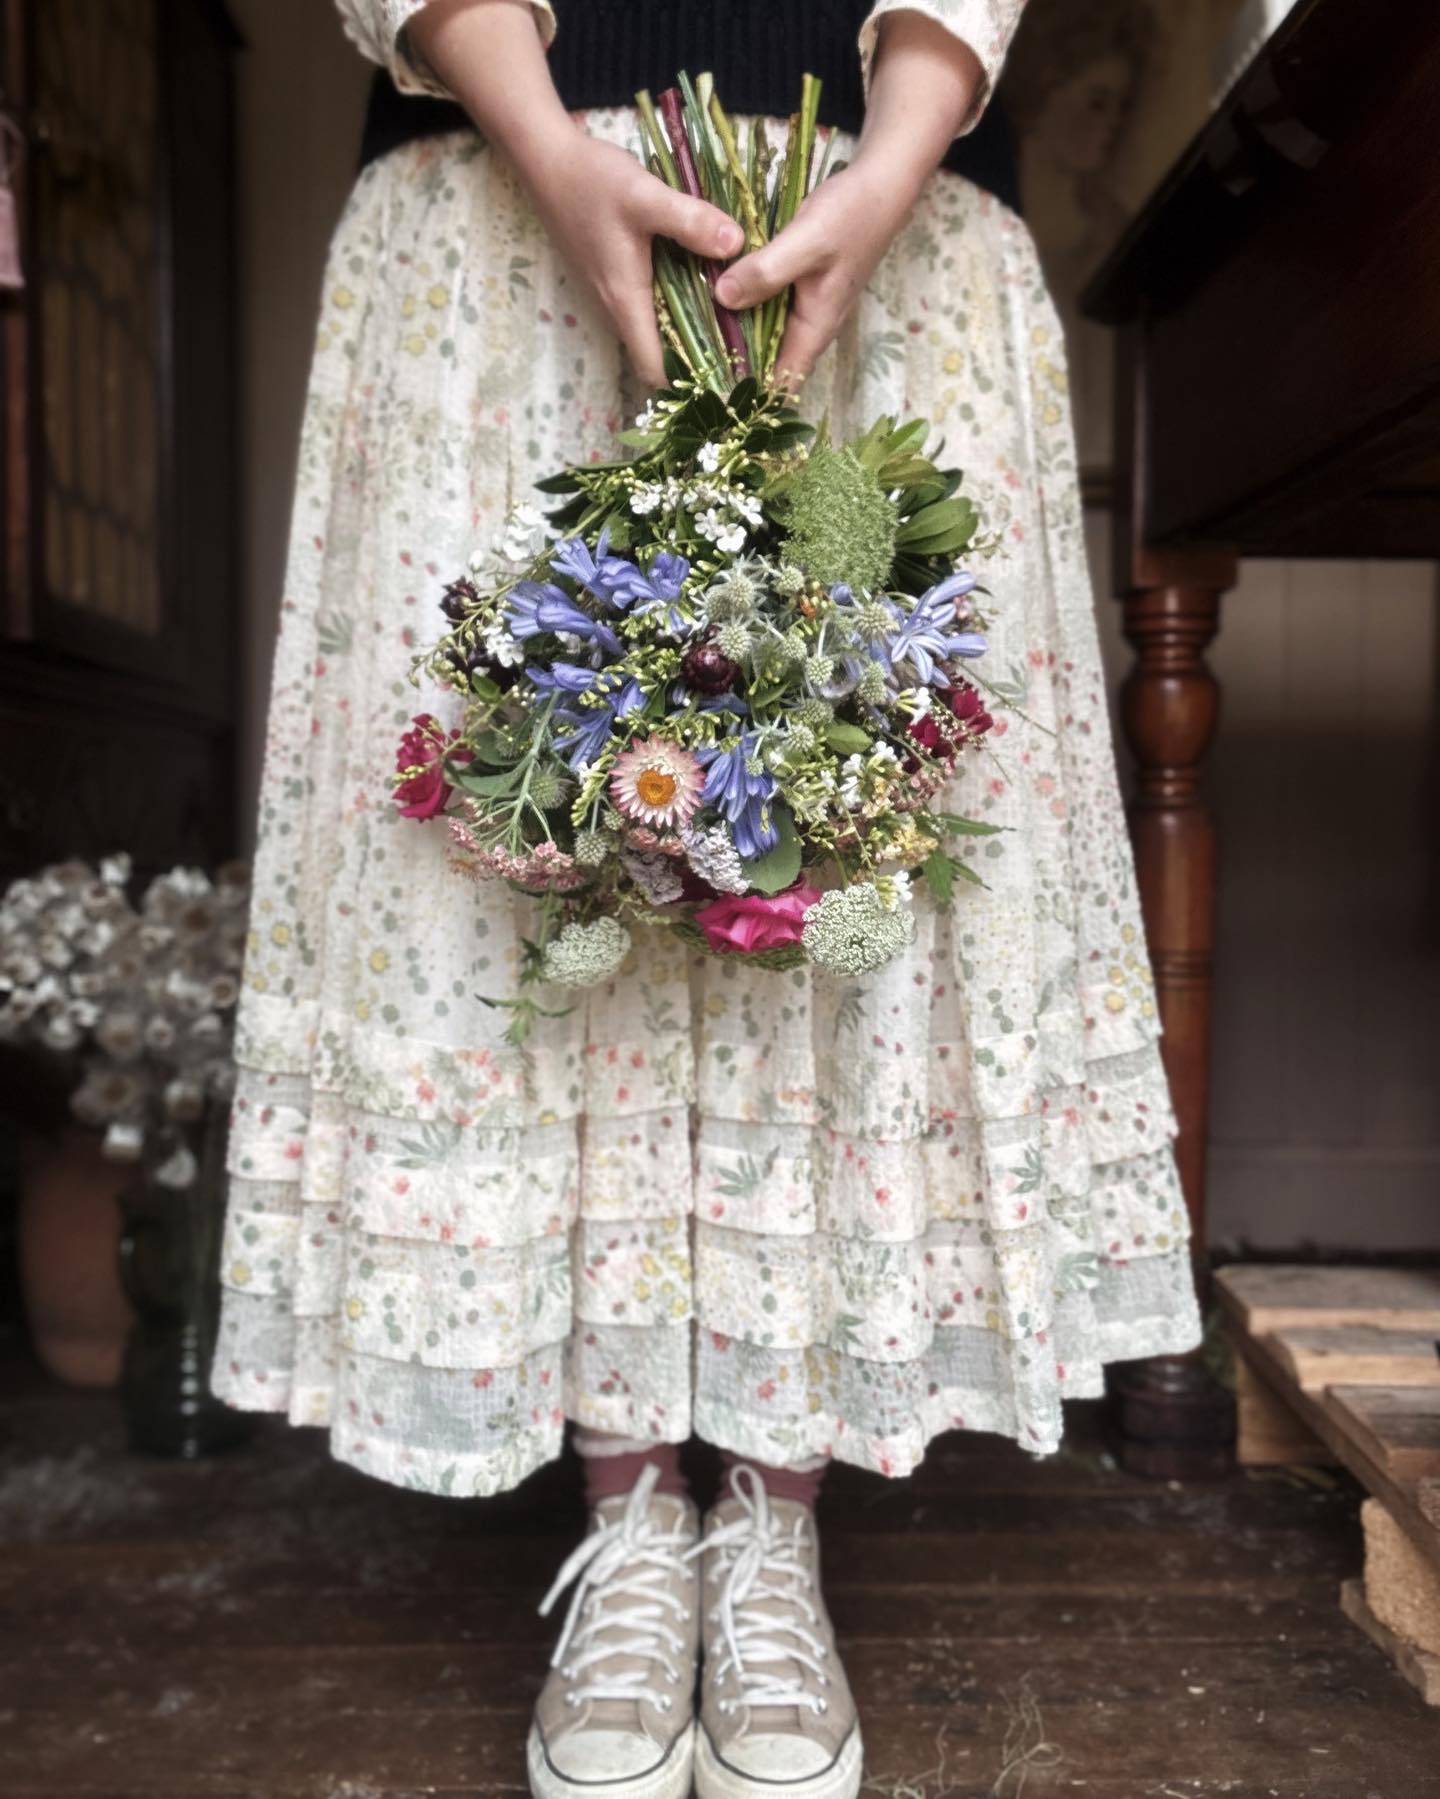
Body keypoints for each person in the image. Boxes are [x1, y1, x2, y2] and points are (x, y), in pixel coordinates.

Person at [213, 4, 1202, 1797]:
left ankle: (770, 1522)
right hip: (498, 210)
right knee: (531, 837)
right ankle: (628, 1535)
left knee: (847, 838)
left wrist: (896, 156)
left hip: (875, 217)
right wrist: (530, 122)